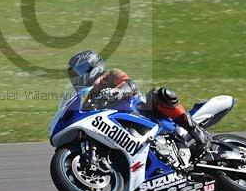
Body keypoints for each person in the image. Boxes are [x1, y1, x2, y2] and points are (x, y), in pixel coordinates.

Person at [66, 49, 210, 156]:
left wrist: (116, 92)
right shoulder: (88, 100)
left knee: (159, 93)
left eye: (79, 72)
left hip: (144, 113)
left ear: (92, 66)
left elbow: (130, 85)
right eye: (73, 75)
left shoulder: (111, 75)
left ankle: (197, 132)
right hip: (123, 134)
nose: (76, 78)